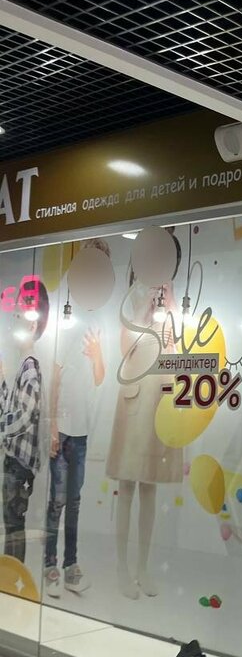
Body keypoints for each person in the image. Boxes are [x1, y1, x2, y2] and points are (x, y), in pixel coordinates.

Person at [106, 233, 183, 599]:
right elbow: (124, 348)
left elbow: (180, 348)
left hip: (158, 401)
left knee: (149, 486)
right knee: (127, 486)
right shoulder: (133, 295)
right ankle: (122, 568)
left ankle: (142, 568)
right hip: (134, 397)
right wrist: (143, 314)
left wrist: (171, 304)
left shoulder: (171, 296)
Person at [44, 239, 109, 597]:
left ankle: (71, 564)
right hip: (64, 430)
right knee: (57, 500)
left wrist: (98, 354)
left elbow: (100, 377)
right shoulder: (67, 322)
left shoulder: (97, 324)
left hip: (81, 434)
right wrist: (53, 426)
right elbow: (55, 379)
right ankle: (50, 564)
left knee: (74, 503)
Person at [1, 277, 49, 562]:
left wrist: (2, 430)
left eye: (20, 316)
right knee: (11, 524)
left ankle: (13, 575)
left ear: (32, 325)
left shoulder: (30, 368)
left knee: (14, 525)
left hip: (19, 464)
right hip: (14, 461)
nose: (14, 321)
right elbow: (11, 410)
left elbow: (24, 416)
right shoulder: (22, 366)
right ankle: (10, 574)